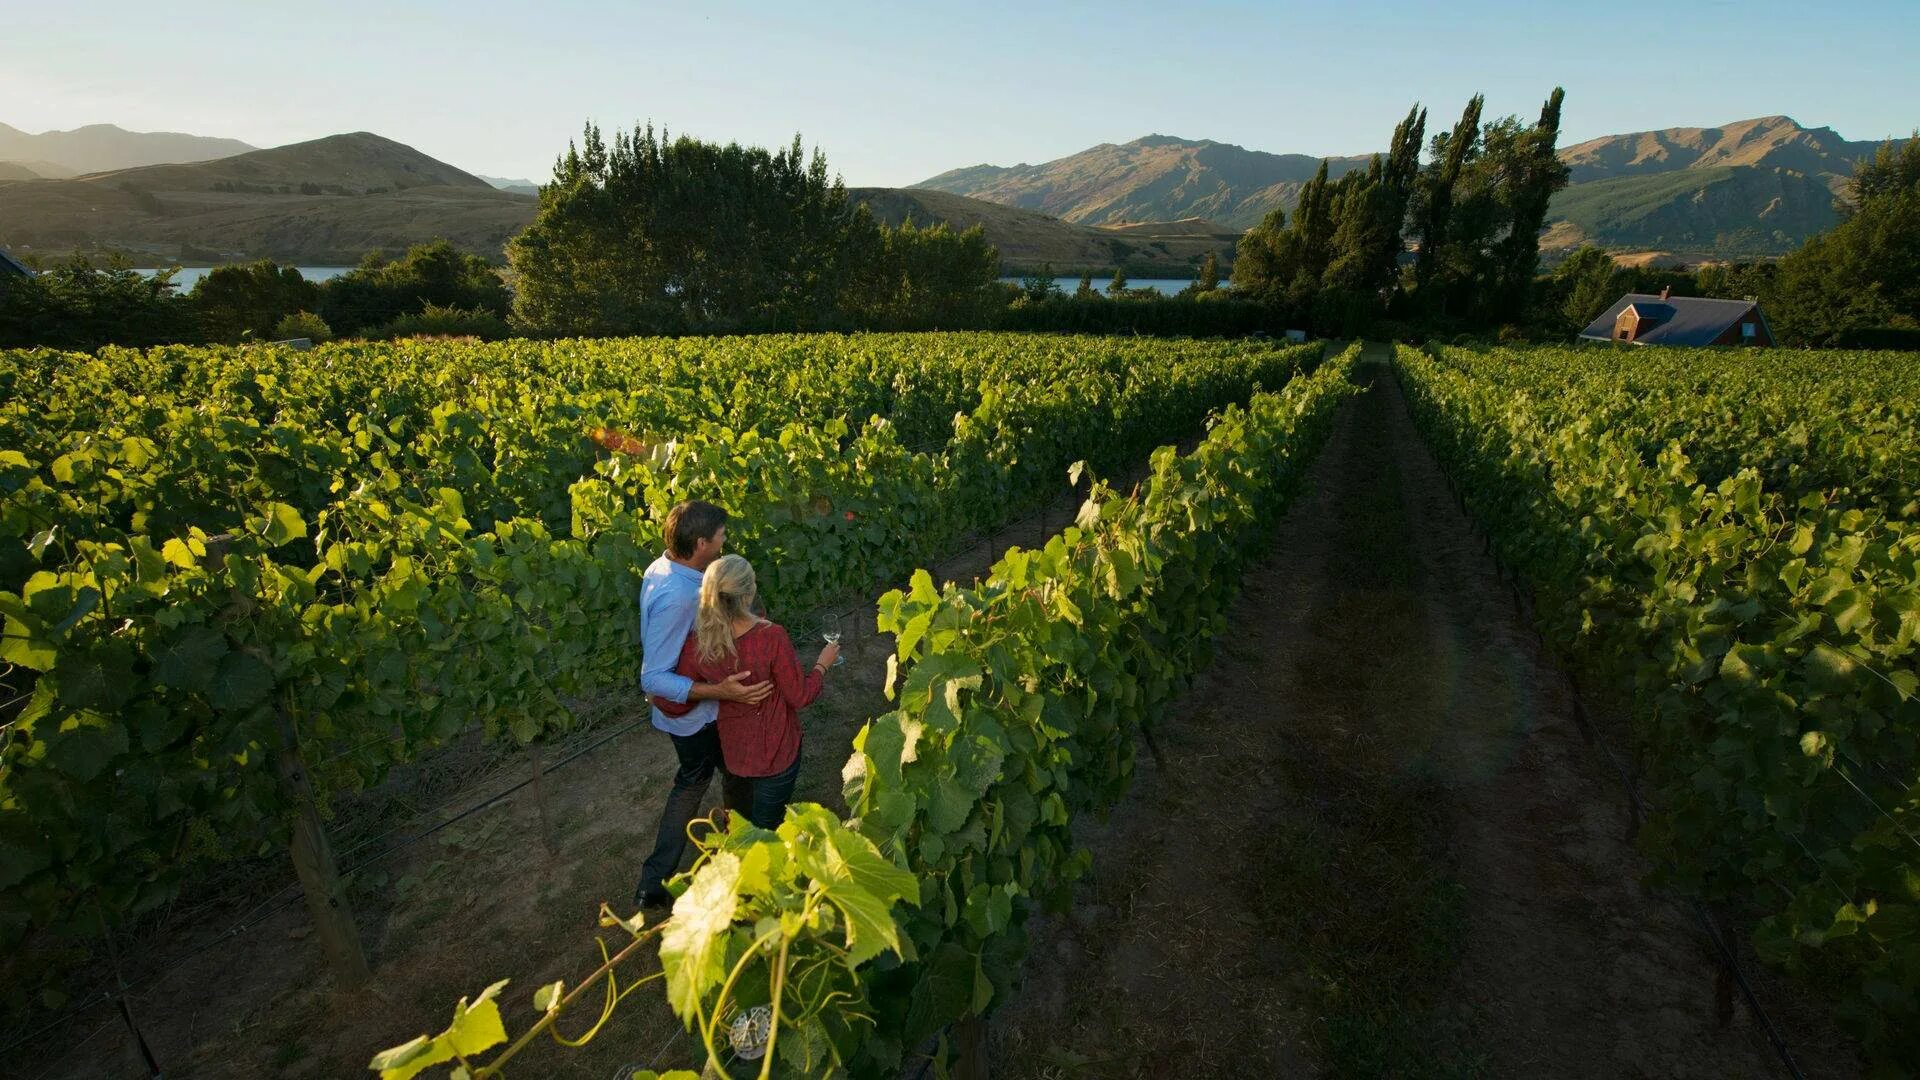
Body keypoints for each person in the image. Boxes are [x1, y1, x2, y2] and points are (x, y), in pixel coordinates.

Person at [633, 501, 771, 911]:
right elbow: (653, 677)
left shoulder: (661, 569)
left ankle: (654, 882)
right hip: (693, 715)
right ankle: (740, 858)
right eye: (720, 537)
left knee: (699, 779)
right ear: (700, 544)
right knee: (728, 775)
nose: (726, 541)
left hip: (685, 714)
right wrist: (722, 692)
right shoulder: (680, 596)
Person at [654, 554, 836, 830]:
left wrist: (713, 691)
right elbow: (800, 696)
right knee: (766, 830)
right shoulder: (771, 636)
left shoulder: (699, 643)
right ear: (748, 593)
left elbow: (675, 697)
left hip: (736, 753)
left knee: (741, 826)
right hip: (776, 751)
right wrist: (823, 664)